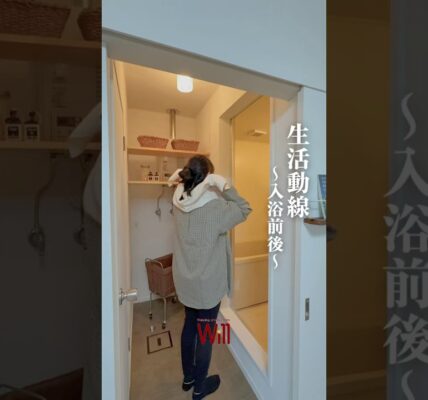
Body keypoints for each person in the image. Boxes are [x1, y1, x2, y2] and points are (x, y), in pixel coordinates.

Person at [168, 155, 252, 400]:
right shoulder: (215, 208)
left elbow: (182, 187)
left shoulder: (177, 202)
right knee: (205, 333)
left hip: (185, 279)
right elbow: (245, 208)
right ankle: (199, 388)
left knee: (189, 326)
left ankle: (188, 378)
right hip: (206, 283)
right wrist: (223, 186)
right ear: (208, 179)